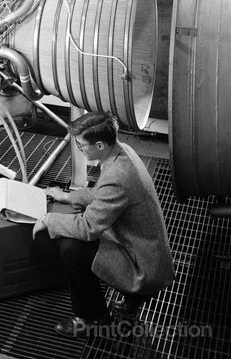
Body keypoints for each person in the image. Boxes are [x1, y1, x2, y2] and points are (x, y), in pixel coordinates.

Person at [32, 111, 175, 337]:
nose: (79, 149)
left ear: (99, 145)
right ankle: (131, 300)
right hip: (149, 254)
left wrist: (48, 219)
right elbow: (104, 194)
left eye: (81, 146)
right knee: (81, 237)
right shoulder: (122, 152)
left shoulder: (117, 175)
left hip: (144, 268)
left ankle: (92, 320)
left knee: (71, 248)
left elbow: (88, 228)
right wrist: (69, 197)